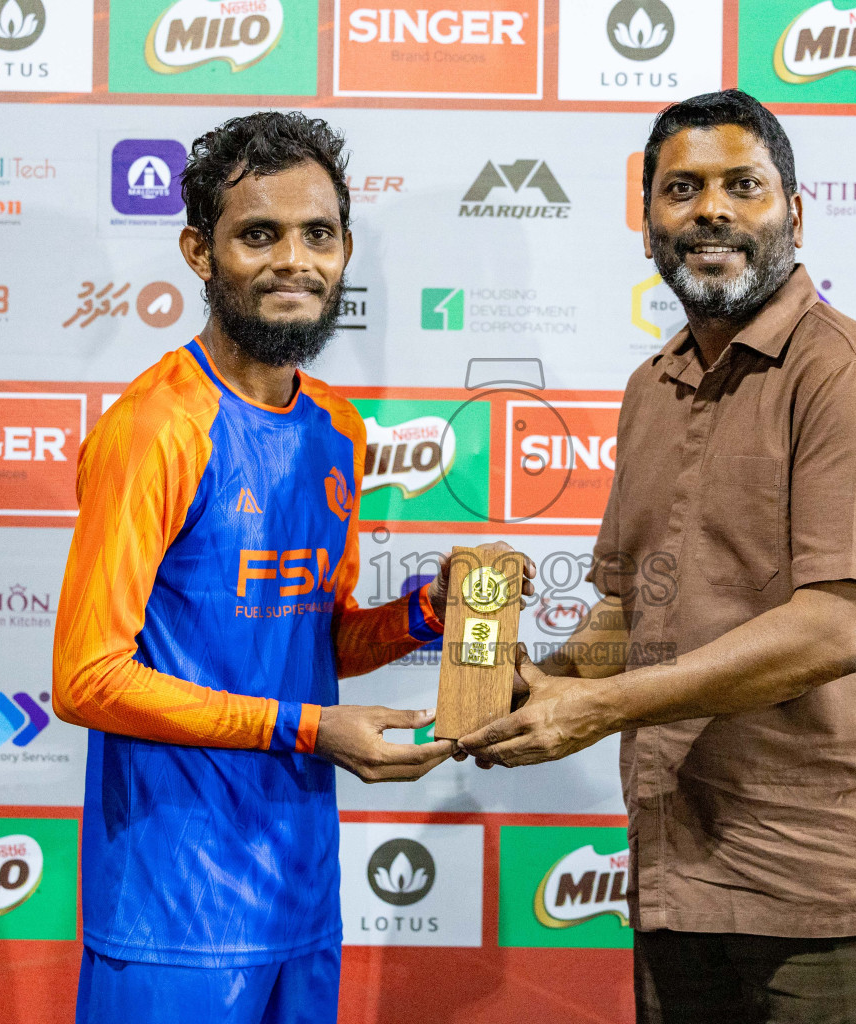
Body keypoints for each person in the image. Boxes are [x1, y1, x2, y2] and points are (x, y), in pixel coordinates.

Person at [458, 90, 856, 1024]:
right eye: (680, 189)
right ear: (648, 227)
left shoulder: (852, 377)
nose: (710, 210)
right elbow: (632, 612)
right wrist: (531, 686)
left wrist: (594, 708)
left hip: (825, 891)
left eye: (743, 186)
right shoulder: (652, 388)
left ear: (793, 216)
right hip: (680, 871)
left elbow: (836, 630)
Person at [52, 111, 526, 1024]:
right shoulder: (155, 430)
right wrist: (312, 731)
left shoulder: (338, 431)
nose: (293, 262)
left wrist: (431, 610)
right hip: (170, 905)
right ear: (200, 251)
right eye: (258, 235)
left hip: (300, 890)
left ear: (345, 248)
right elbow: (85, 680)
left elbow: (315, 640)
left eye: (318, 234)